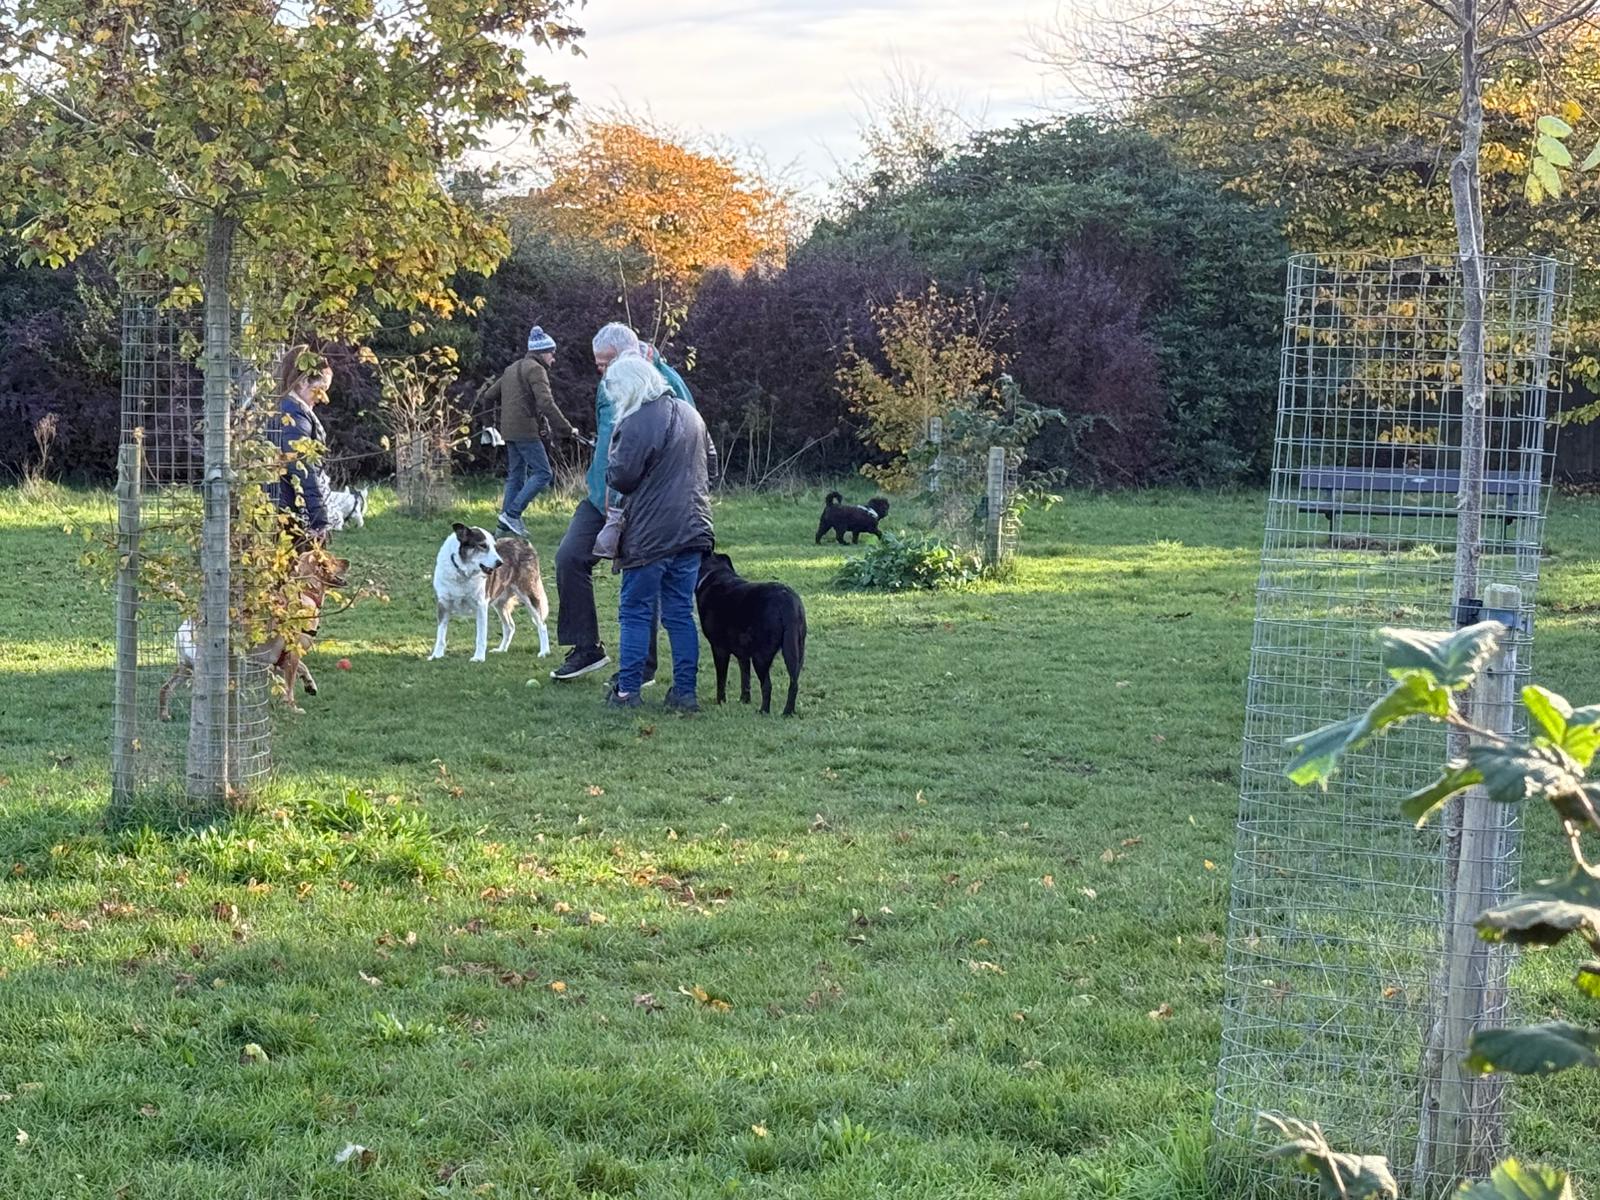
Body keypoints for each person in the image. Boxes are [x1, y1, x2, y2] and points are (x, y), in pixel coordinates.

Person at [549, 323, 696, 683]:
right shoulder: (608, 383)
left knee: (640, 576)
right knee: (569, 557)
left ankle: (642, 668)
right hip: (601, 496)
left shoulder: (666, 382)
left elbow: (690, 434)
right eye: (598, 364)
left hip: (641, 502)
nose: (600, 371)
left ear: (627, 354)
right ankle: (586, 648)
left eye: (605, 363)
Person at [600, 354, 715, 712]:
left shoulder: (637, 420)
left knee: (635, 610)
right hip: (694, 529)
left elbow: (621, 477)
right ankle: (685, 694)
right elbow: (709, 461)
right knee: (680, 612)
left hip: (651, 536)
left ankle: (627, 692)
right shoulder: (690, 413)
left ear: (628, 387)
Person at [482, 324, 578, 539]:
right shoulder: (536, 369)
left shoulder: (512, 368)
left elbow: (489, 395)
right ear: (542, 353)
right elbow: (546, 402)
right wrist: (566, 428)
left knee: (516, 477)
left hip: (508, 432)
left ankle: (501, 532)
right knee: (544, 473)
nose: (553, 359)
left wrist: (492, 424)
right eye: (552, 354)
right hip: (526, 431)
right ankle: (512, 514)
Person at [266, 344, 334, 545]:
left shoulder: (283, 407)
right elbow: (303, 469)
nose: (323, 399)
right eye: (320, 390)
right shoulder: (294, 414)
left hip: (278, 506)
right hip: (285, 509)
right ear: (304, 382)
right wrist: (319, 520)